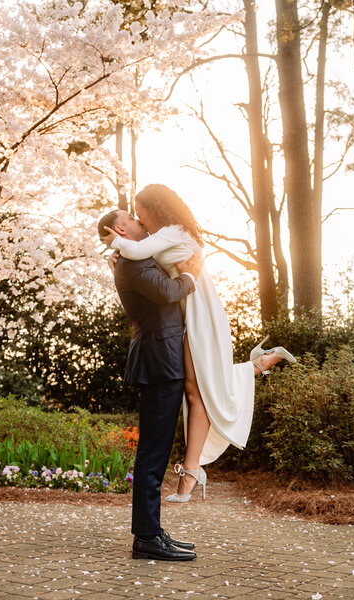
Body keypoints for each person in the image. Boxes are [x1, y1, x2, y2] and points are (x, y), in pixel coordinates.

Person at [101, 184, 296, 503]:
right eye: (133, 216)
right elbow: (141, 261)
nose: (139, 218)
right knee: (198, 386)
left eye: (141, 212)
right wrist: (118, 251)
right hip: (188, 310)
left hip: (200, 309)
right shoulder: (160, 235)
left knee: (197, 387)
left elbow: (137, 252)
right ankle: (258, 365)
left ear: (155, 208)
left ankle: (192, 470)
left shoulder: (173, 230)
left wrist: (115, 241)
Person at [98, 208, 203, 561]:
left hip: (164, 360)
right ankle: (146, 538)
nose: (141, 223)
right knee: (153, 454)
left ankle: (152, 531)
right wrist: (190, 277)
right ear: (119, 228)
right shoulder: (131, 263)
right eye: (133, 219)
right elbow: (165, 292)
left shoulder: (136, 257)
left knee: (156, 453)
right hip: (158, 362)